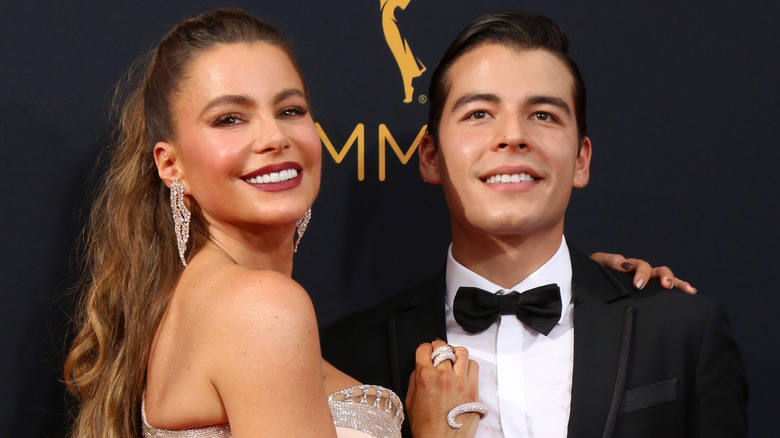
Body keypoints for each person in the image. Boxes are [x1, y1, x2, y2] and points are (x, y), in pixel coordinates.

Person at [63, 7, 691, 438]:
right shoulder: (263, 309)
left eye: (291, 109)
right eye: (231, 118)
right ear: (169, 164)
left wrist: (592, 282)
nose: (273, 139)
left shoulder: (206, 301)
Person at [321, 11, 748, 438]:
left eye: (543, 115)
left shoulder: (680, 331)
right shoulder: (349, 353)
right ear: (431, 156)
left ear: (581, 160)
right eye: (479, 114)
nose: (513, 135)